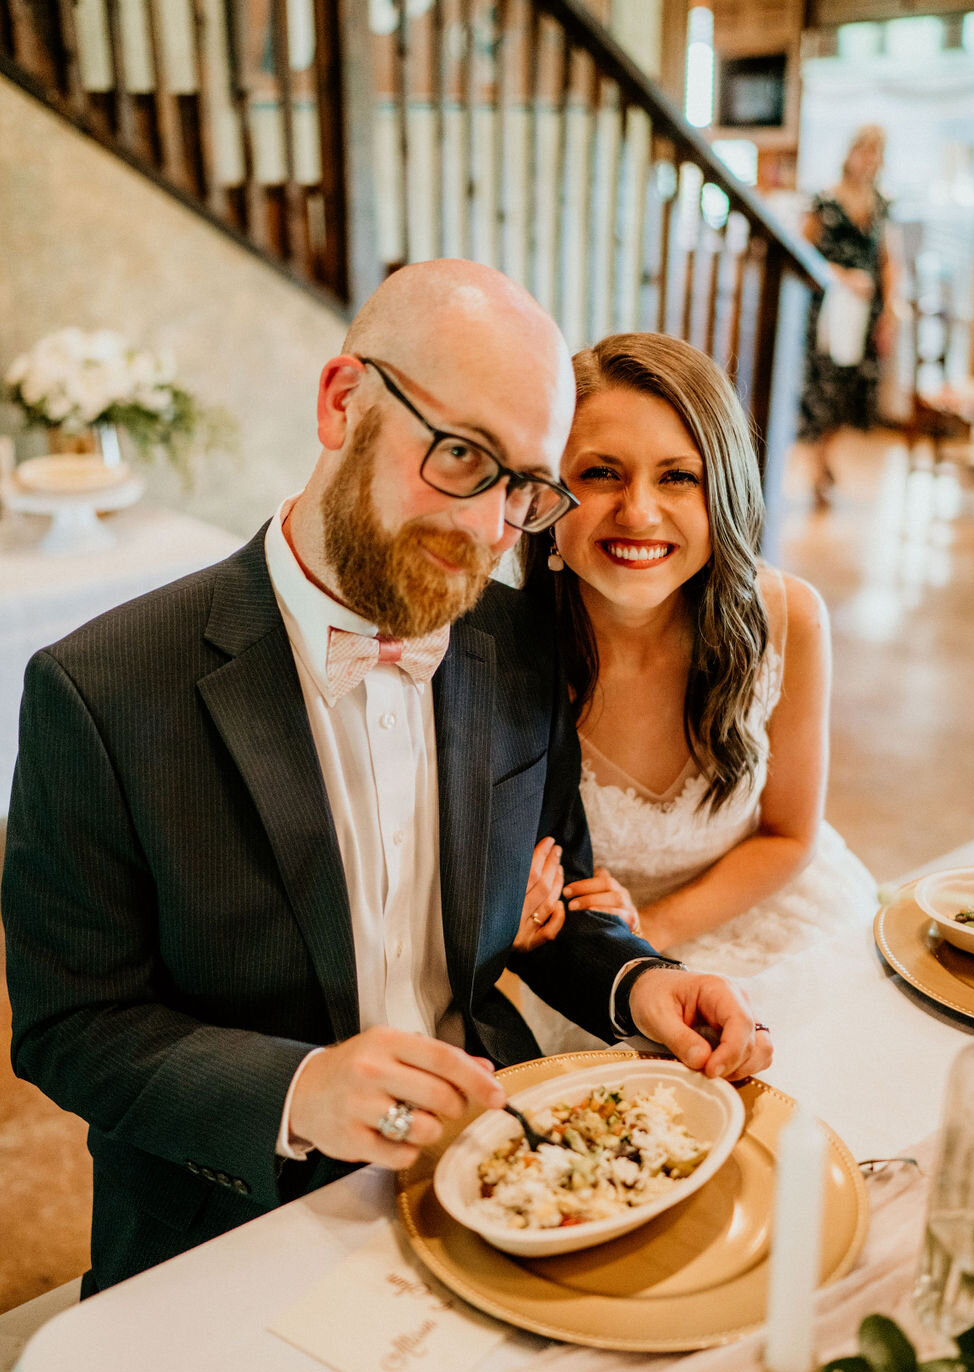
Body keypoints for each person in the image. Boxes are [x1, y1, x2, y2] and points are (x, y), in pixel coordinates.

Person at [2, 262, 770, 1293]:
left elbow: (558, 898)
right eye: (460, 456)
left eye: (526, 488)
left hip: (493, 1172)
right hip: (227, 1210)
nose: (488, 528)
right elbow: (70, 1026)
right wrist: (299, 1086)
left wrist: (642, 982)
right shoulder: (99, 691)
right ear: (340, 402)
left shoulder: (519, 650)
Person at [517, 331, 877, 1053]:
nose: (639, 512)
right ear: (550, 495)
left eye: (677, 476)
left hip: (766, 915)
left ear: (725, 490)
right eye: (602, 473)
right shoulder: (499, 650)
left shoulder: (789, 621)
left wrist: (647, 930)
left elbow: (790, 835)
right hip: (591, 968)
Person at [797, 125, 899, 505]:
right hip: (827, 309)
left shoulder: (882, 205)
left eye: (877, 151)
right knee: (823, 389)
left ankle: (827, 457)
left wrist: (890, 310)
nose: (870, 158)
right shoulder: (823, 201)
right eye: (865, 150)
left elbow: (890, 262)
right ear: (852, 152)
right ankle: (818, 466)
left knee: (852, 391)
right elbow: (802, 253)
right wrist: (842, 278)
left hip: (865, 314)